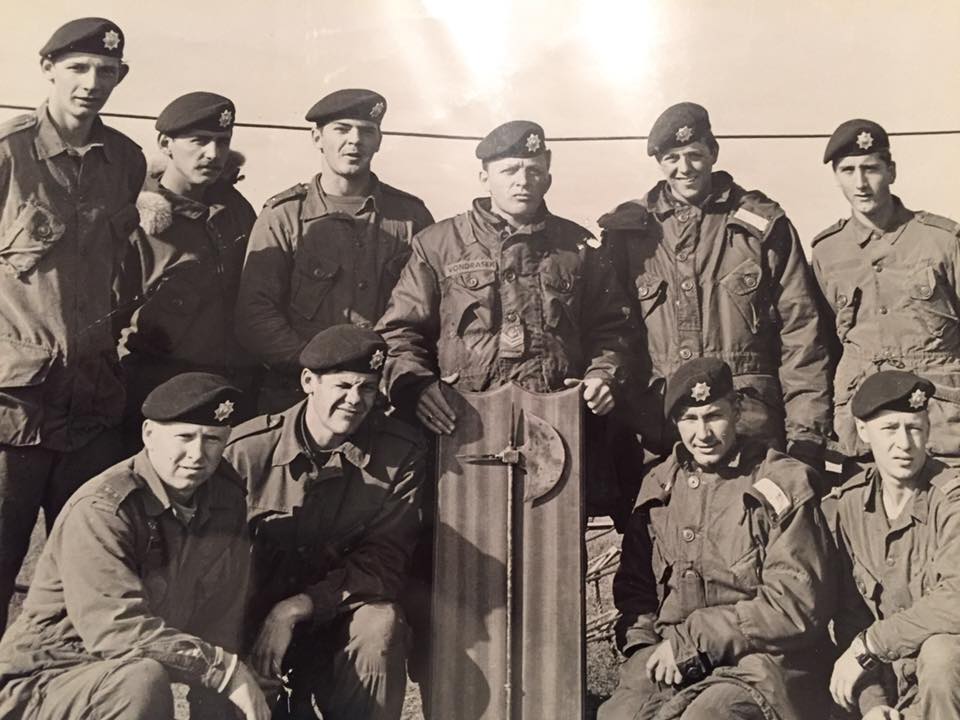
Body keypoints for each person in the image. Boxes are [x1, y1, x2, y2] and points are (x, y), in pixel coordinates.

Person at [0, 373, 270, 720]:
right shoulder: (104, 508)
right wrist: (223, 671)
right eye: (184, 437)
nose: (197, 454)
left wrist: (229, 681)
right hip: (48, 679)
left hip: (125, 671)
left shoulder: (224, 501)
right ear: (149, 435)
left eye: (212, 439)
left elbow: (221, 621)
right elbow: (116, 629)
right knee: (142, 680)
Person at [0, 17, 147, 630]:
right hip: (14, 409)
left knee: (82, 579)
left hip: (90, 407)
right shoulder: (9, 154)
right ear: (48, 69)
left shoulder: (126, 161)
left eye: (106, 71)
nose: (92, 82)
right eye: (78, 68)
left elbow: (121, 274)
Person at [597, 102, 830, 473]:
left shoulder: (761, 227)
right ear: (658, 162)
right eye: (672, 158)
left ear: (714, 152)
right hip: (661, 430)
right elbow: (612, 331)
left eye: (694, 155)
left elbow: (802, 335)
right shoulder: (629, 232)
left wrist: (806, 439)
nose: (684, 168)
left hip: (750, 427)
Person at [599, 358, 836, 720]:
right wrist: (644, 651)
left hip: (766, 662)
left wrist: (695, 640)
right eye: (690, 419)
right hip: (677, 656)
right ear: (675, 423)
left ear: (737, 410)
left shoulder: (780, 482)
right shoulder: (660, 486)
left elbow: (794, 604)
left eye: (714, 416)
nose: (703, 434)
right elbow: (636, 591)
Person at [224, 324, 426, 720]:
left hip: (336, 617)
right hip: (248, 629)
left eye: (367, 388)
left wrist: (296, 608)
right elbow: (212, 572)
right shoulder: (246, 453)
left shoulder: (399, 454)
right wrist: (238, 655)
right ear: (308, 382)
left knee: (380, 624)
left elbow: (385, 561)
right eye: (343, 386)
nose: (355, 400)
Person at [235, 88, 434, 412]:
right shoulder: (284, 215)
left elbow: (426, 311)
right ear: (317, 138)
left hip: (383, 395)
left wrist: (396, 373)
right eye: (342, 129)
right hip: (299, 394)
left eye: (366, 131)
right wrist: (319, 367)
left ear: (379, 140)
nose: (355, 140)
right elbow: (255, 315)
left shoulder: (411, 217)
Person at [811, 119, 960, 468]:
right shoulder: (827, 251)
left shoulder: (941, 241)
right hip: (864, 427)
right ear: (836, 177)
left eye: (871, 169)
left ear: (891, 171)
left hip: (940, 423)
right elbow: (824, 344)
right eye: (848, 171)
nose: (860, 183)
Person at [117, 91, 258, 452]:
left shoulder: (236, 211)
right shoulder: (138, 220)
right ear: (166, 144)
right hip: (153, 392)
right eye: (199, 141)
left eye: (222, 141)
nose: (212, 153)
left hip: (227, 386)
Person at [826, 371, 960, 719]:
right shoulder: (849, 506)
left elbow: (956, 599)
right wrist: (874, 704)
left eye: (914, 428)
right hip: (892, 688)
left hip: (946, 688)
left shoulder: (951, 500)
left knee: (941, 653)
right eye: (890, 428)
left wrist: (872, 645)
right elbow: (851, 618)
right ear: (862, 430)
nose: (904, 443)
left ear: (928, 431)